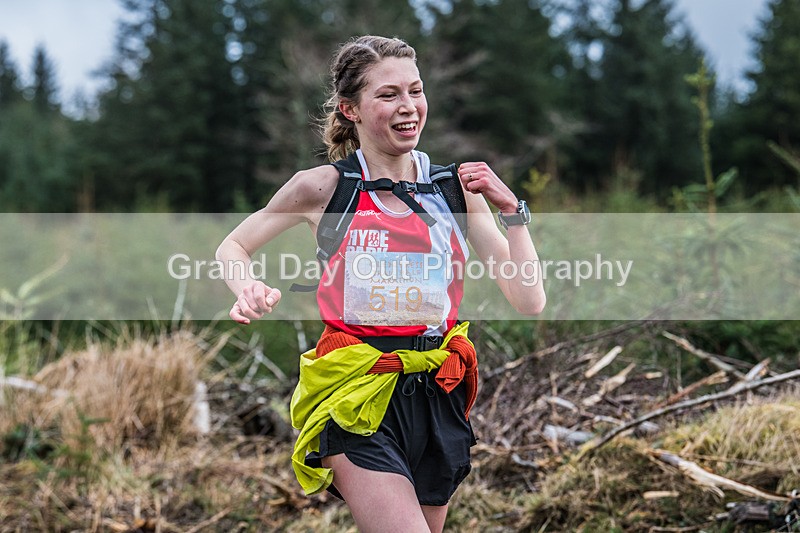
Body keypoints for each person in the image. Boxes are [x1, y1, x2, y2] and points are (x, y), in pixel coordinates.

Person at [216, 35, 545, 533]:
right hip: (355, 388)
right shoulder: (323, 188)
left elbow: (529, 298)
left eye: (415, 91)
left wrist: (512, 214)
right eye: (388, 95)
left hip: (437, 388)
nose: (408, 107)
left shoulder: (456, 190)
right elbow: (232, 247)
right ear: (350, 108)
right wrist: (246, 286)